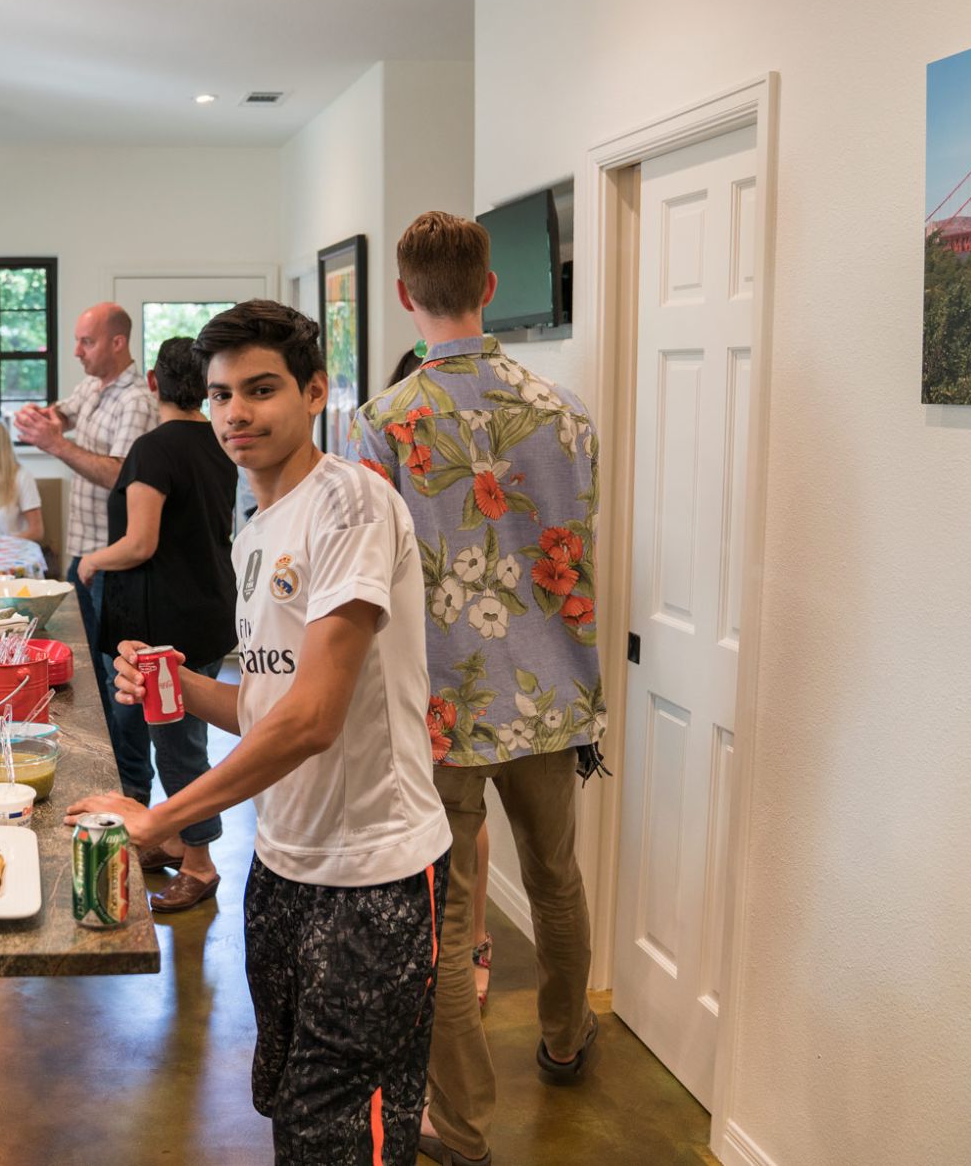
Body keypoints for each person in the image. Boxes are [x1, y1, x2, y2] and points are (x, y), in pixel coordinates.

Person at [66, 300, 450, 1165]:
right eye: (220, 394)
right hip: (281, 865)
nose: (236, 412)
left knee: (346, 1132)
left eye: (262, 389)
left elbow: (314, 718)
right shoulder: (256, 528)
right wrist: (183, 682)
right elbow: (265, 706)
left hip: (374, 875)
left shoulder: (352, 503)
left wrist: (158, 820)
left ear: (315, 392)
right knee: (291, 1107)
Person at [349, 211, 606, 1166]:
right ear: (492, 288)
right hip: (551, 690)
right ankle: (566, 1039)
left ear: (406, 296)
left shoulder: (383, 422)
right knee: (556, 880)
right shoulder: (565, 410)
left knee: (449, 923)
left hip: (441, 703)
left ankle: (460, 1132)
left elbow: (374, 572)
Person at [76, 338, 236, 912]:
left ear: (152, 382)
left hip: (165, 622)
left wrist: (92, 560)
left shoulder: (153, 448)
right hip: (209, 609)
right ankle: (161, 835)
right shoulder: (221, 443)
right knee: (161, 736)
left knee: (177, 746)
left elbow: (140, 544)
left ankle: (200, 862)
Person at [386, 343, 496, 1008]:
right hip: (403, 649)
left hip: (458, 651)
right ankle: (427, 943)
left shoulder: (466, 458)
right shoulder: (390, 458)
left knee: (461, 808)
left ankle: (474, 941)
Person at [13, 302, 158, 724]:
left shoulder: (135, 401)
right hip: (84, 551)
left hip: (112, 559)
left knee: (116, 679)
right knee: (89, 668)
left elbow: (119, 474)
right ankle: (106, 754)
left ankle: (129, 779)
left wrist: (55, 444)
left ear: (118, 342)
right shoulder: (94, 385)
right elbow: (64, 412)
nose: (77, 351)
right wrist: (41, 416)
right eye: (77, 340)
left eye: (86, 341)